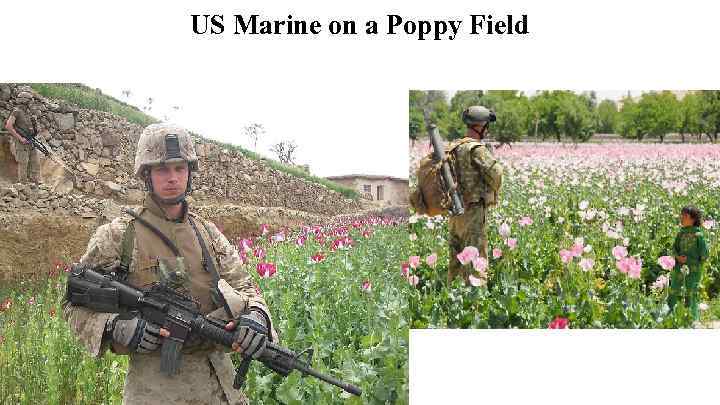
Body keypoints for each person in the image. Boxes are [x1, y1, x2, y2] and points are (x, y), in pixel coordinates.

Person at [63, 123, 276, 405]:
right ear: (147, 175)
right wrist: (115, 327)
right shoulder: (118, 235)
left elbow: (246, 287)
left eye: (180, 168)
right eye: (162, 169)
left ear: (190, 173)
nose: (173, 178)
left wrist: (257, 318)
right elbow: (73, 303)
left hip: (222, 387)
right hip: (155, 390)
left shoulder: (208, 234)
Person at [447, 106, 504, 284]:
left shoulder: (454, 147)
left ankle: (452, 303)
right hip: (473, 213)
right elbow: (497, 175)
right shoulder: (476, 149)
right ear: (481, 126)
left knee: (456, 261)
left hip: (456, 213)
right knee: (476, 263)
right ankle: (475, 304)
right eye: (487, 125)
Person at [668, 205, 710, 323]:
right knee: (674, 289)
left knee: (690, 291)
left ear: (693, 219)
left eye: (685, 216)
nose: (681, 218)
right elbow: (674, 249)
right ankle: (670, 314)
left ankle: (691, 318)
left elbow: (705, 254)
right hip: (679, 269)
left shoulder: (699, 235)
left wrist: (695, 264)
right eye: (681, 215)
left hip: (693, 271)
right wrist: (677, 257)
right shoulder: (680, 234)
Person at [3, 102, 42, 184]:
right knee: (23, 162)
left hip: (30, 141)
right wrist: (20, 138)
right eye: (30, 100)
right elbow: (8, 126)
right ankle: (23, 185)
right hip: (21, 142)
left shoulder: (28, 113)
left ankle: (34, 181)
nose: (32, 102)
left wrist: (35, 126)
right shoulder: (16, 112)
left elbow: (33, 129)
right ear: (25, 101)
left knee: (34, 161)